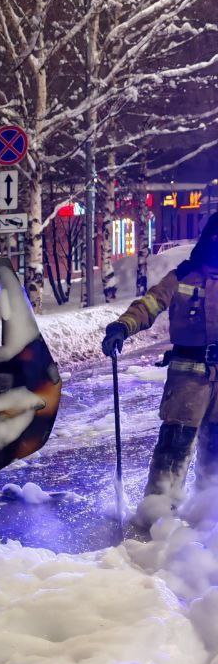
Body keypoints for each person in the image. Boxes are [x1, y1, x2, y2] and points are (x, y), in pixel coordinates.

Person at [102, 212, 218, 531]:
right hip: (188, 381)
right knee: (174, 448)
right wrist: (122, 327)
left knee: (215, 453)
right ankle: (156, 518)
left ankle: (207, 515)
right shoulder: (183, 276)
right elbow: (150, 304)